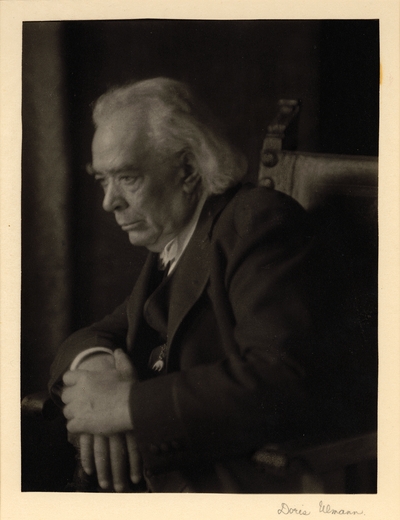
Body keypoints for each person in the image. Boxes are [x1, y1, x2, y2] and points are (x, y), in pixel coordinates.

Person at [49, 77, 334, 493]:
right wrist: (96, 370)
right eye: (102, 180)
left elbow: (281, 379)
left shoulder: (255, 222)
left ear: (187, 170)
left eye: (127, 178)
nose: (109, 202)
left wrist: (123, 407)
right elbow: (102, 332)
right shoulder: (177, 237)